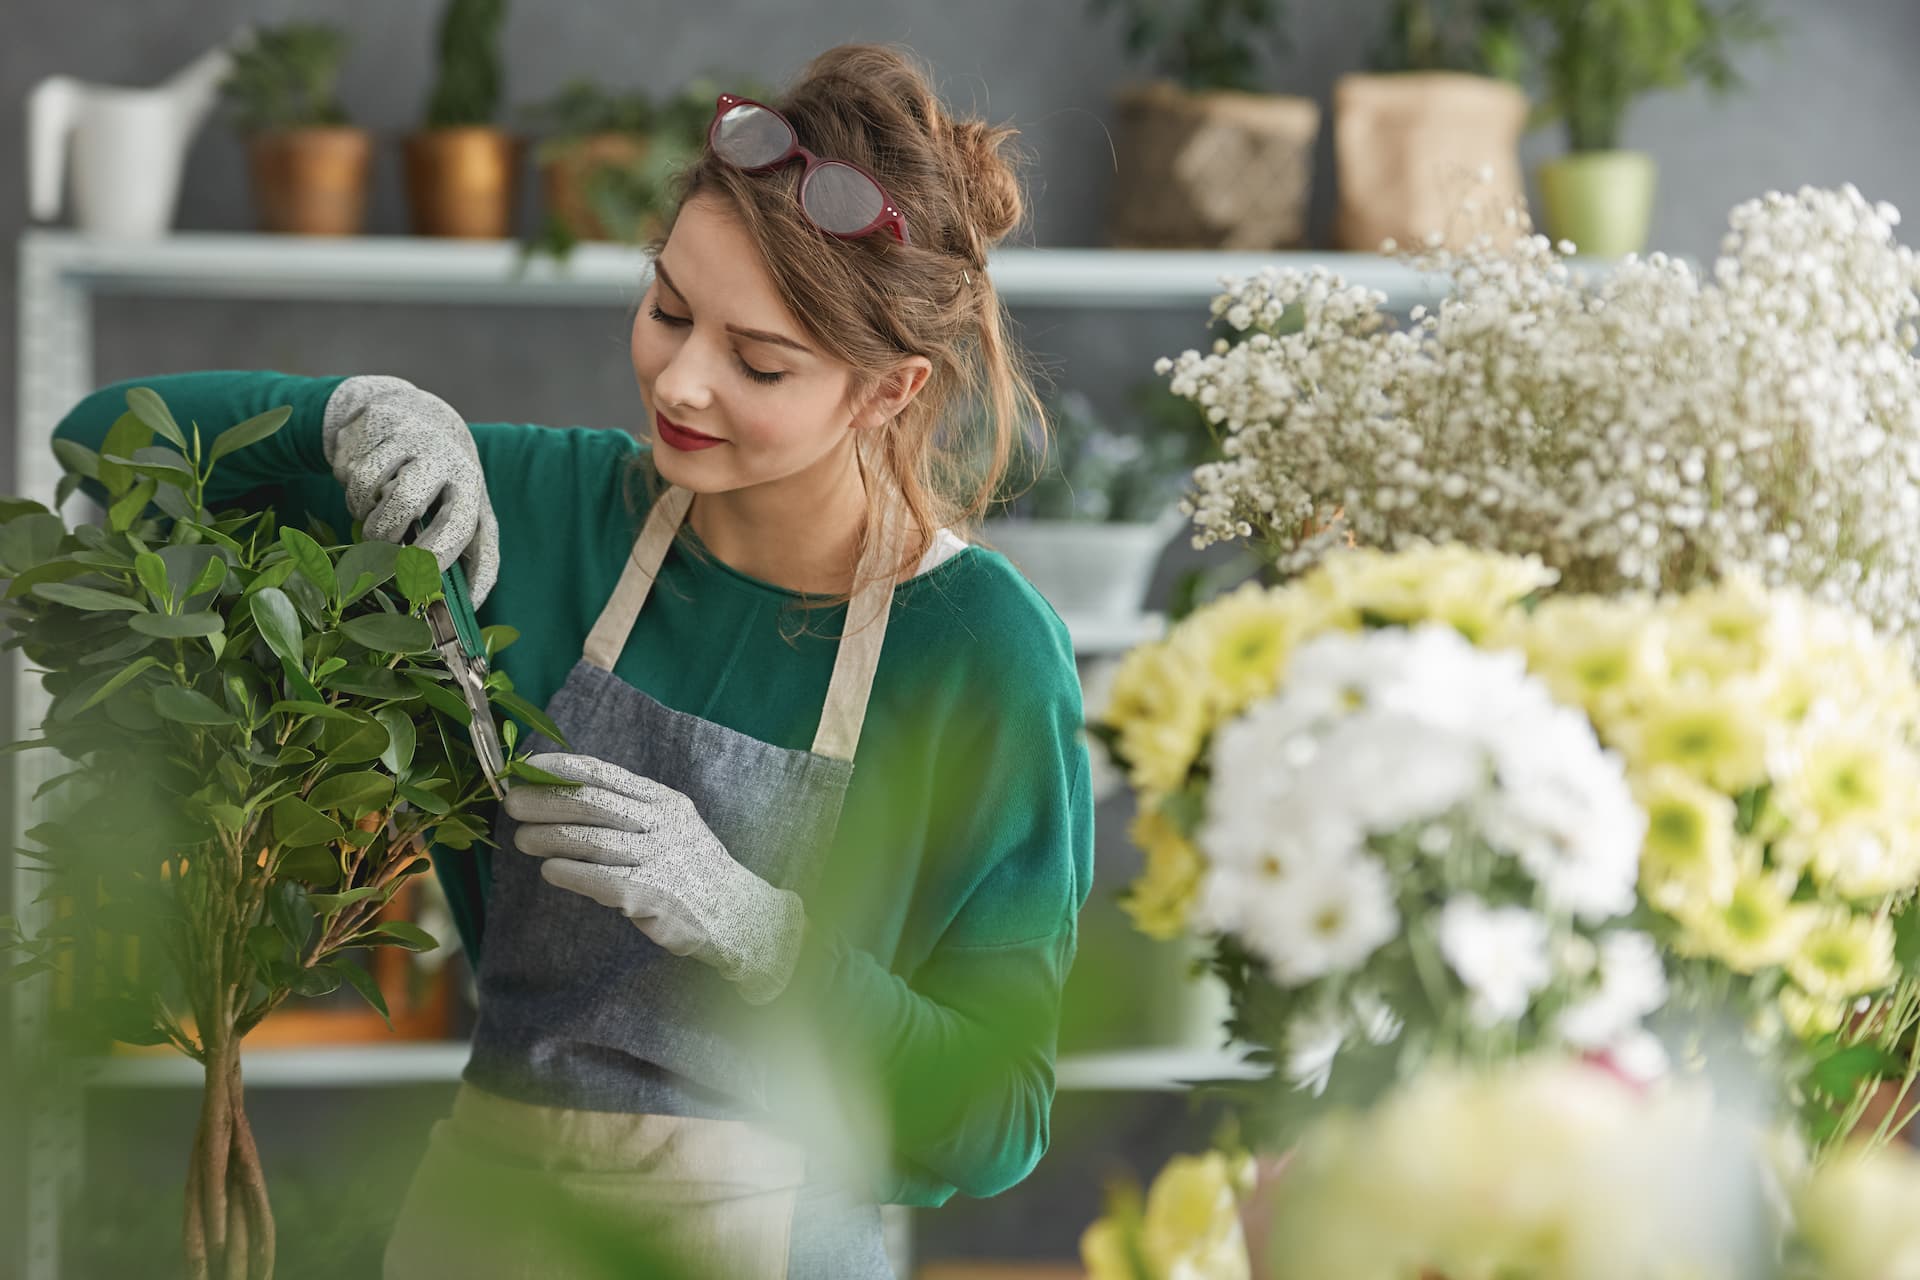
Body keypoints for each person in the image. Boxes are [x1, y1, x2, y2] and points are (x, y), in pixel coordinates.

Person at [52, 41, 1093, 1280]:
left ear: (888, 391)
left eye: (759, 361)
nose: (683, 381)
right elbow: (103, 450)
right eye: (667, 308)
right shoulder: (546, 511)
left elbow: (998, 1120)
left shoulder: (981, 655)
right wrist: (344, 412)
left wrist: (762, 935)